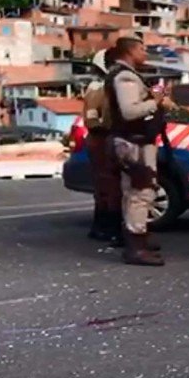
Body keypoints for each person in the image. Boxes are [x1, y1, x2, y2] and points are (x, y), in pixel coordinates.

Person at [105, 34, 175, 266]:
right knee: (140, 193)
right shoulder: (125, 77)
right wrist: (155, 101)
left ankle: (137, 239)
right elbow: (129, 111)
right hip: (133, 142)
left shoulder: (125, 75)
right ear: (130, 51)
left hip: (132, 141)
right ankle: (136, 247)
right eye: (142, 49)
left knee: (134, 192)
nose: (145, 54)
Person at [83, 46, 123, 247]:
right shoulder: (98, 88)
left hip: (103, 139)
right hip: (101, 139)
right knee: (109, 187)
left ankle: (102, 227)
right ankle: (108, 228)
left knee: (106, 186)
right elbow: (92, 119)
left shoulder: (103, 86)